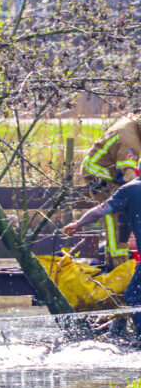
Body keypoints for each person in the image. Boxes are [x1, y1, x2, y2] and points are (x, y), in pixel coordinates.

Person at [63, 174, 141, 332]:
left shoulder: (130, 189)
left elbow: (101, 210)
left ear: (137, 169)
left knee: (133, 295)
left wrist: (78, 223)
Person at [80, 112, 141, 268]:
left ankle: (113, 257)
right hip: (100, 176)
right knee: (114, 215)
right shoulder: (129, 141)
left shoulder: (132, 125)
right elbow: (129, 179)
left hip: (107, 171)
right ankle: (117, 265)